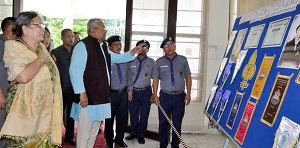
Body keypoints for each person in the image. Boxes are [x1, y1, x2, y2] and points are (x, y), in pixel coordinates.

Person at [69, 18, 142, 148]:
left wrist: (132, 53)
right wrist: (82, 93)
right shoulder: (83, 45)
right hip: (88, 97)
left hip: (100, 96)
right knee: (84, 132)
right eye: (103, 29)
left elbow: (116, 58)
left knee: (94, 131)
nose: (105, 31)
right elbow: (75, 71)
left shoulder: (101, 46)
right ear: (93, 30)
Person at [0, 11, 63, 147]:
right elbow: (23, 76)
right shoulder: (13, 46)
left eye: (42, 25)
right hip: (26, 113)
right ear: (25, 29)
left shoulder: (41, 47)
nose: (42, 29)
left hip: (45, 113)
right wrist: (40, 59)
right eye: (38, 25)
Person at [152, 37, 192, 148]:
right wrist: (155, 95)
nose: (169, 47)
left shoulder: (183, 60)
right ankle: (163, 143)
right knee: (163, 122)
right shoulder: (159, 62)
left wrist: (188, 93)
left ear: (175, 46)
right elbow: (155, 79)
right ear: (163, 49)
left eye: (171, 44)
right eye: (166, 45)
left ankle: (175, 144)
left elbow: (188, 77)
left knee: (177, 122)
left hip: (179, 96)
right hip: (165, 96)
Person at [126, 39, 155, 145]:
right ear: (137, 48)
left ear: (148, 50)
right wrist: (129, 90)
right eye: (140, 46)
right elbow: (128, 77)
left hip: (146, 92)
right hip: (133, 91)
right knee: (133, 114)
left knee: (144, 114)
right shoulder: (131, 61)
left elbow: (155, 78)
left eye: (145, 47)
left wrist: (154, 93)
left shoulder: (152, 62)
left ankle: (141, 135)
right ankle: (134, 132)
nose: (142, 49)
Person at [51, 28, 76, 145]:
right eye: (68, 36)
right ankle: (56, 138)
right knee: (58, 113)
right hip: (61, 87)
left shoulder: (77, 51)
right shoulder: (56, 52)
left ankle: (69, 137)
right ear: (62, 38)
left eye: (72, 36)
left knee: (72, 114)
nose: (71, 38)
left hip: (74, 88)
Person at [104, 35, 129, 148]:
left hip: (123, 93)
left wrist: (130, 90)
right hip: (111, 94)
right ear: (109, 47)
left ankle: (119, 140)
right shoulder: (106, 59)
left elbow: (129, 76)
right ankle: (109, 140)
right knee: (109, 119)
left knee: (122, 119)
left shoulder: (124, 59)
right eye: (116, 44)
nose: (119, 47)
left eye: (120, 44)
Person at [0, 16, 16, 148]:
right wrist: (0, 94)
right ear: (12, 29)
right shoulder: (1, 43)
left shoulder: (9, 44)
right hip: (2, 94)